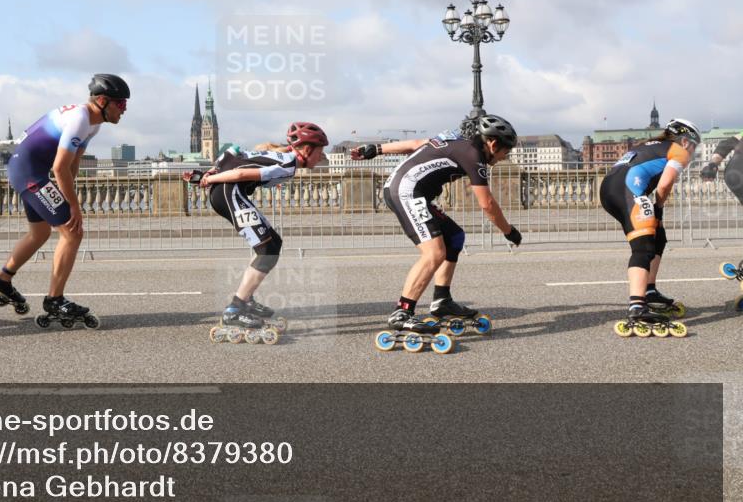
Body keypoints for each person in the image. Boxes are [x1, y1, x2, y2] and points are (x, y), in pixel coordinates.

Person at [0, 74, 128, 327]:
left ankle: (2, 281)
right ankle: (55, 300)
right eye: (120, 104)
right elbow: (59, 168)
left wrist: (67, 198)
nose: (124, 110)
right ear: (102, 101)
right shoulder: (80, 119)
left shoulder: (93, 123)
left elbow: (73, 163)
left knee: (40, 233)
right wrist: (73, 207)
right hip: (30, 173)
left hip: (27, 170)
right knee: (72, 231)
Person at [351, 115, 522, 334]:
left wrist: (376, 149)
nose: (502, 159)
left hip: (411, 191)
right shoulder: (473, 155)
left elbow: (415, 144)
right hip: (407, 193)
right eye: (504, 153)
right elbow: (487, 204)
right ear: (493, 143)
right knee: (434, 252)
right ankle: (402, 312)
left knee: (455, 237)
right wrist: (509, 232)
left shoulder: (456, 138)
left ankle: (442, 301)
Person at [188, 122, 329, 343]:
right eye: (320, 152)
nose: (321, 157)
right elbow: (242, 173)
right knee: (266, 249)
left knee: (274, 244)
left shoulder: (280, 156)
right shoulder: (288, 164)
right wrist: (210, 178)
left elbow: (232, 151)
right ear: (307, 150)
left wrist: (214, 170)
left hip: (229, 192)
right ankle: (235, 309)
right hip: (229, 192)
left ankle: (247, 299)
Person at [600, 118, 701, 333]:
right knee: (644, 247)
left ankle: (649, 290)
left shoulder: (648, 144)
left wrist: (656, 214)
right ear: (685, 141)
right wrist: (660, 205)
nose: (693, 152)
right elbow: (664, 184)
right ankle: (637, 305)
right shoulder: (679, 151)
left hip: (611, 188)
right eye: (694, 145)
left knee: (658, 236)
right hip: (629, 191)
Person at [700, 131, 743, 205]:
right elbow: (725, 145)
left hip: (734, 176)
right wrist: (713, 164)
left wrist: (712, 164)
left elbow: (724, 145)